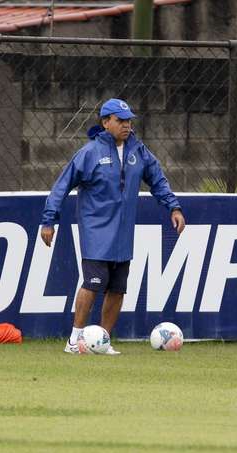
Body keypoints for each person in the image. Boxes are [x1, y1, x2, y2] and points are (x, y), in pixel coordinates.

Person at [39, 98, 185, 355]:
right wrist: (48, 220)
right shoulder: (89, 153)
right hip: (96, 232)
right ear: (105, 122)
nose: (126, 126)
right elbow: (61, 187)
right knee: (93, 283)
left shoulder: (138, 152)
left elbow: (158, 180)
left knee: (118, 289)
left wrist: (173, 207)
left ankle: (103, 341)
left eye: (129, 121)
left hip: (123, 235)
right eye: (120, 121)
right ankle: (74, 340)